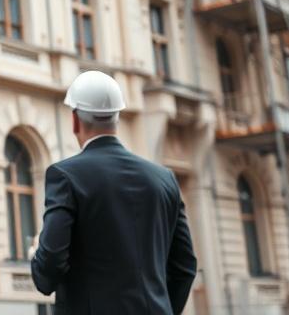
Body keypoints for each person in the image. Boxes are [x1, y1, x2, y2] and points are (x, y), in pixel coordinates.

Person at [30, 70, 197, 314]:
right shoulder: (165, 179)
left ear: (75, 120)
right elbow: (184, 267)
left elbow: (50, 267)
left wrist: (37, 254)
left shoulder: (65, 176)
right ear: (116, 118)